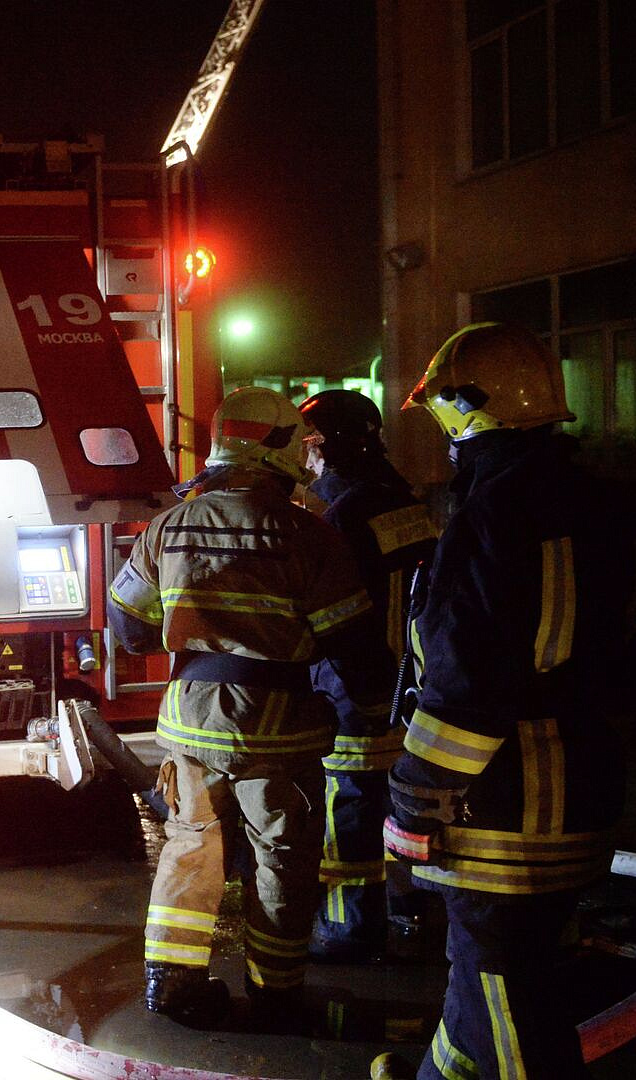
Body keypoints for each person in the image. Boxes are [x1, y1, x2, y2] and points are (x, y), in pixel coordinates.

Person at [382, 324, 636, 1079]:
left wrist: (418, 791)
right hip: (584, 787)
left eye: (441, 410)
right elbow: (629, 657)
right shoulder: (602, 507)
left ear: (470, 406)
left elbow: (469, 674)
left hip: (502, 810)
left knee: (503, 984)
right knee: (492, 976)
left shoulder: (494, 513)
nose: (441, 432)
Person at [108, 386, 388, 1029]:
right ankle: (275, 988)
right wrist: (373, 710)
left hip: (187, 720)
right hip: (278, 728)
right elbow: (351, 644)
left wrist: (191, 633)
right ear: (280, 450)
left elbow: (127, 629)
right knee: (283, 859)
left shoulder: (166, 526)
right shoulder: (308, 535)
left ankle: (172, 979)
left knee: (190, 843)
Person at [297, 389, 441, 962]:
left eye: (308, 448)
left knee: (348, 812)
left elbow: (327, 612)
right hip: (410, 688)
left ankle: (347, 929)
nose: (305, 462)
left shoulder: (340, 514)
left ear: (325, 447)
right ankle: (408, 913)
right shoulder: (400, 500)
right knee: (399, 805)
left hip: (354, 689)